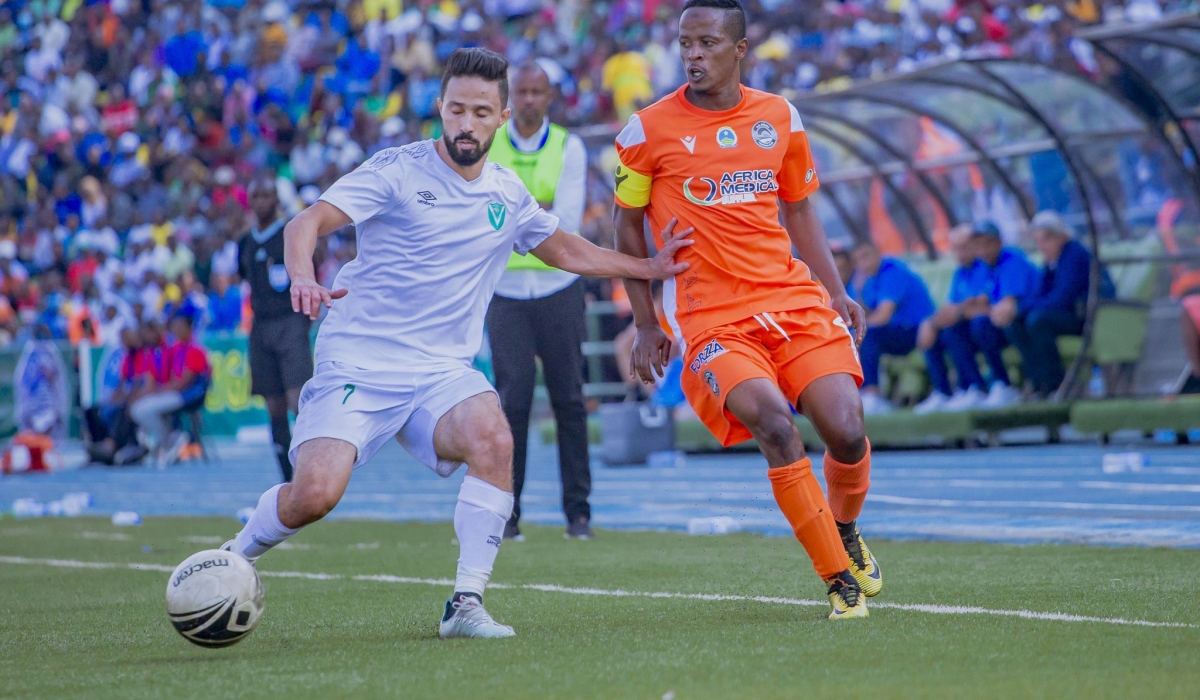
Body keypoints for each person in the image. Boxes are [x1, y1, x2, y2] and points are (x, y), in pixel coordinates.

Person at [221, 48, 691, 639]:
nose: (466, 124)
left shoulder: (506, 192)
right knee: (314, 495)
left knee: (494, 436)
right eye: (456, 110)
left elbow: (567, 251)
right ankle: (234, 554)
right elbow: (304, 224)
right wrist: (303, 276)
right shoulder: (396, 169)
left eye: (480, 112)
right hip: (358, 363)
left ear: (500, 119)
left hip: (439, 371)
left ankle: (465, 603)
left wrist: (648, 266)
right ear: (440, 109)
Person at [613, 0, 877, 620]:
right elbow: (624, 228)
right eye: (685, 44)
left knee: (847, 429)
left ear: (739, 49)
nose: (693, 55)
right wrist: (648, 320)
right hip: (711, 317)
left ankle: (841, 527)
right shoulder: (645, 131)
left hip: (791, 299)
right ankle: (838, 581)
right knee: (775, 425)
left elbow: (801, 209)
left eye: (707, 43)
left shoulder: (780, 116)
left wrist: (835, 290)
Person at [485, 62, 593, 542]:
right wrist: (533, 217)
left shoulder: (570, 147)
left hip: (558, 288)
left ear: (550, 97)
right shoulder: (492, 142)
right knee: (514, 405)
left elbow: (565, 222)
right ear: (511, 97)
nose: (528, 100)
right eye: (521, 92)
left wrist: (508, 221)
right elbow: (488, 218)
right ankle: (508, 516)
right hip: (504, 293)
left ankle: (579, 515)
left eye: (537, 92)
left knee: (570, 400)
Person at [239, 175, 313, 482]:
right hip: (261, 325)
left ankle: (312, 468)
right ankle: (287, 477)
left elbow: (308, 270)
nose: (261, 202)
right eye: (256, 196)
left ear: (277, 200)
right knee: (274, 403)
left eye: (266, 196)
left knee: (299, 399)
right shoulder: (244, 241)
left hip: (289, 320)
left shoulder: (288, 234)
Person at [1008, 211, 1112, 397]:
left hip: (1087, 316)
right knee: (1015, 323)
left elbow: (1063, 298)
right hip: (1066, 313)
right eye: (1038, 241)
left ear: (1062, 236)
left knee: (1038, 321)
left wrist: (1021, 308)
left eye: (1047, 239)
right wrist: (1016, 311)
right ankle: (1037, 383)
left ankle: (1055, 384)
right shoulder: (1051, 261)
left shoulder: (1075, 255)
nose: (1042, 246)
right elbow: (1039, 294)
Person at [937, 222, 1037, 410]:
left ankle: (1004, 385)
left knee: (980, 324)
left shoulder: (1011, 259)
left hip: (1023, 322)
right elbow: (966, 308)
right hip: (999, 323)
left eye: (986, 243)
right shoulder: (984, 266)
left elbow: (1004, 307)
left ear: (998, 242)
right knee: (951, 331)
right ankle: (974, 388)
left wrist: (968, 310)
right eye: (978, 244)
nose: (982, 249)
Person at [850, 241, 935, 414]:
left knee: (867, 335)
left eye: (866, 256)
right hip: (896, 331)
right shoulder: (869, 279)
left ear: (877, 252)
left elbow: (882, 317)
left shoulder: (892, 271)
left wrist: (854, 333)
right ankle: (862, 394)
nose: (863, 263)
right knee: (860, 336)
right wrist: (858, 291)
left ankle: (872, 394)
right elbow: (866, 313)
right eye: (859, 259)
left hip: (918, 329)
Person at [915, 224, 991, 414]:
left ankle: (976, 388)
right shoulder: (960, 273)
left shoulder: (986, 266)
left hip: (988, 327)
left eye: (964, 246)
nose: (960, 253)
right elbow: (952, 307)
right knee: (932, 334)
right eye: (955, 248)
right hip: (967, 327)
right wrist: (930, 323)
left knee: (951, 331)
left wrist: (956, 312)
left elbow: (981, 305)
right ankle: (943, 392)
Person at [129, 314, 209, 465]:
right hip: (172, 392)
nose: (177, 330)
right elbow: (167, 376)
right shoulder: (175, 349)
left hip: (187, 395)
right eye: (175, 327)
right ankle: (169, 439)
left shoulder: (196, 350)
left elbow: (184, 382)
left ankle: (168, 442)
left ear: (189, 328)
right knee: (138, 409)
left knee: (143, 410)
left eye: (180, 327)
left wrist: (161, 391)